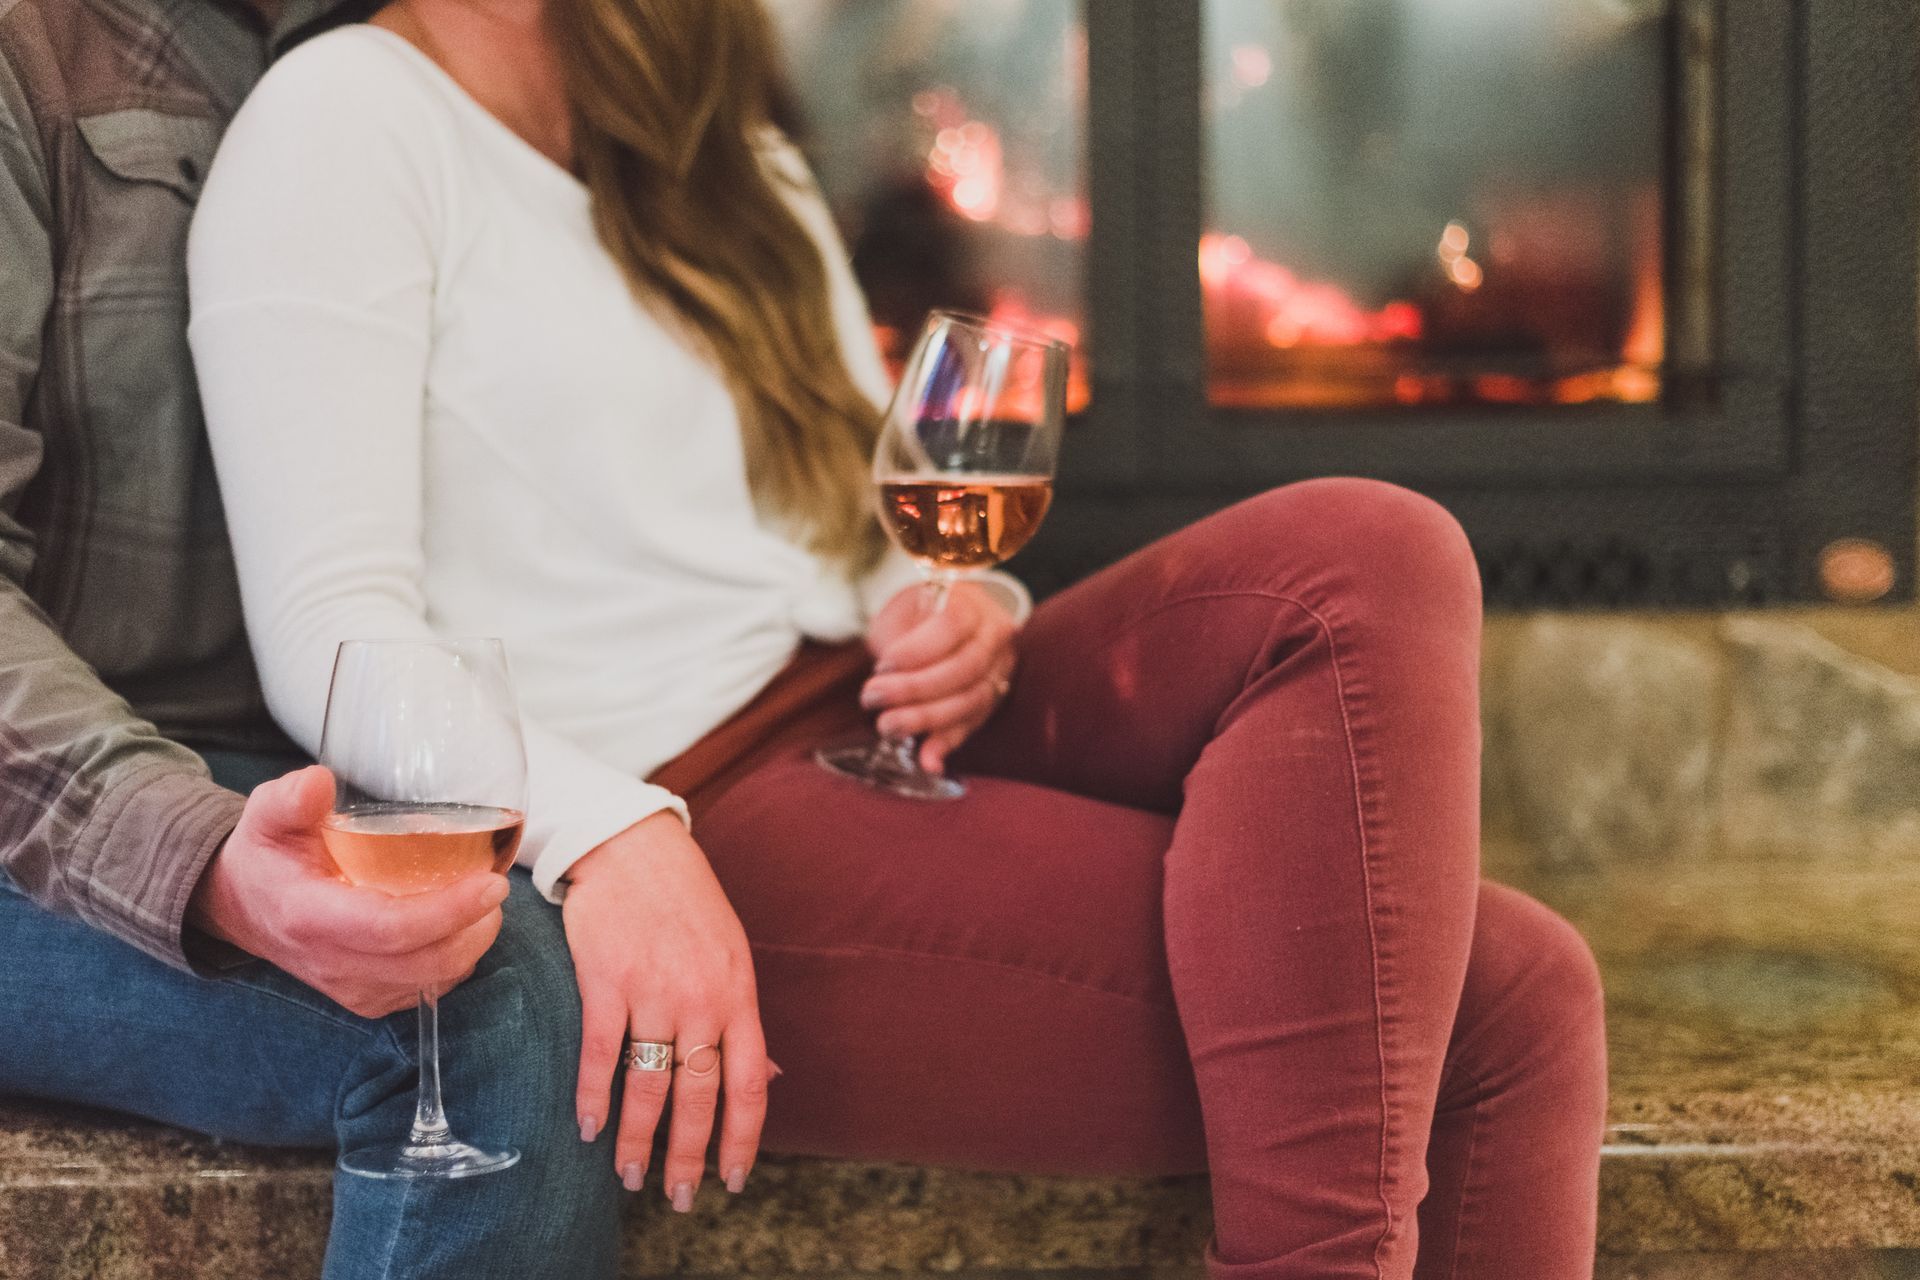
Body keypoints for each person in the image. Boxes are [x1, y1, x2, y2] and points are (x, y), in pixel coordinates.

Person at [187, 0, 1610, 1276]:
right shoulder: (342, 123)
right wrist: (611, 835)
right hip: (690, 797)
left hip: (878, 707)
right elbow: (329, 630)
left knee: (1371, 551)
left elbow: (868, 529)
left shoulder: (725, 157)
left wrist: (968, 609)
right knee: (1515, 1004)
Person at [0, 0, 628, 1273]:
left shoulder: (465, 46)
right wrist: (206, 857)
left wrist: (618, 819)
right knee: (485, 998)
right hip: (43, 826)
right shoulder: (31, 54)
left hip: (303, 761)